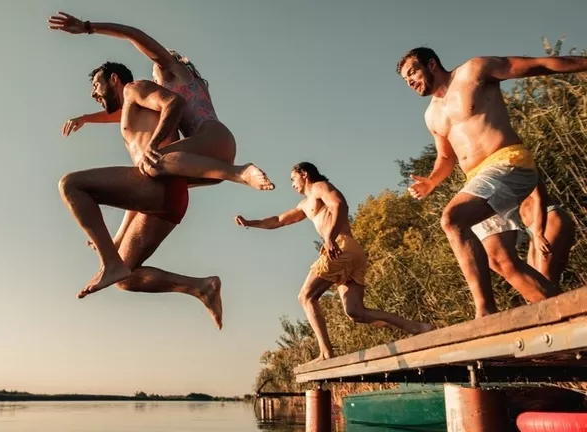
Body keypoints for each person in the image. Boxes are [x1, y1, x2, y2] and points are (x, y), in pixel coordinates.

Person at [396, 47, 587, 318]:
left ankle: (485, 311)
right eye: (406, 80)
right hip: (478, 179)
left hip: (508, 162)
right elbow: (446, 157)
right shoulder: (432, 116)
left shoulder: (474, 71)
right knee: (501, 260)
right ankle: (566, 315)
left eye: (413, 72)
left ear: (432, 64)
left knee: (452, 219)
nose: (411, 81)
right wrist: (431, 182)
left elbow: (540, 64)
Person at [58, 61, 222, 329]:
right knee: (125, 278)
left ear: (114, 79)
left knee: (71, 185)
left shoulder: (135, 88)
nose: (92, 93)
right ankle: (201, 287)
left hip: (162, 184)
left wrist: (154, 144)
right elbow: (117, 114)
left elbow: (175, 103)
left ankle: (109, 261)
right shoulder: (132, 107)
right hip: (168, 199)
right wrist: (86, 118)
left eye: (95, 85)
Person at [48, 11, 274, 191]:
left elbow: (133, 34)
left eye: (155, 75)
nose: (154, 79)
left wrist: (89, 27)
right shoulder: (191, 83)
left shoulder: (172, 70)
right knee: (147, 179)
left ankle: (240, 172)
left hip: (212, 139)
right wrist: (86, 119)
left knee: (151, 161)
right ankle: (119, 239)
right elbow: (123, 113)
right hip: (211, 153)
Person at [234, 162, 434, 362]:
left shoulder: (319, 187)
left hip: (340, 246)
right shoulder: (305, 204)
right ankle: (418, 327)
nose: (292, 184)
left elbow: (340, 204)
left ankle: (326, 352)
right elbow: (279, 220)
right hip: (352, 252)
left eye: (293, 179)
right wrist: (251, 223)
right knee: (355, 312)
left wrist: (330, 237)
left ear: (304, 174)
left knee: (306, 297)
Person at [515, 181, 575, 290]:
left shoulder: (520, 166)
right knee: (537, 285)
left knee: (546, 279)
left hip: (547, 218)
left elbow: (538, 197)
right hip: (531, 229)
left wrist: (538, 233)